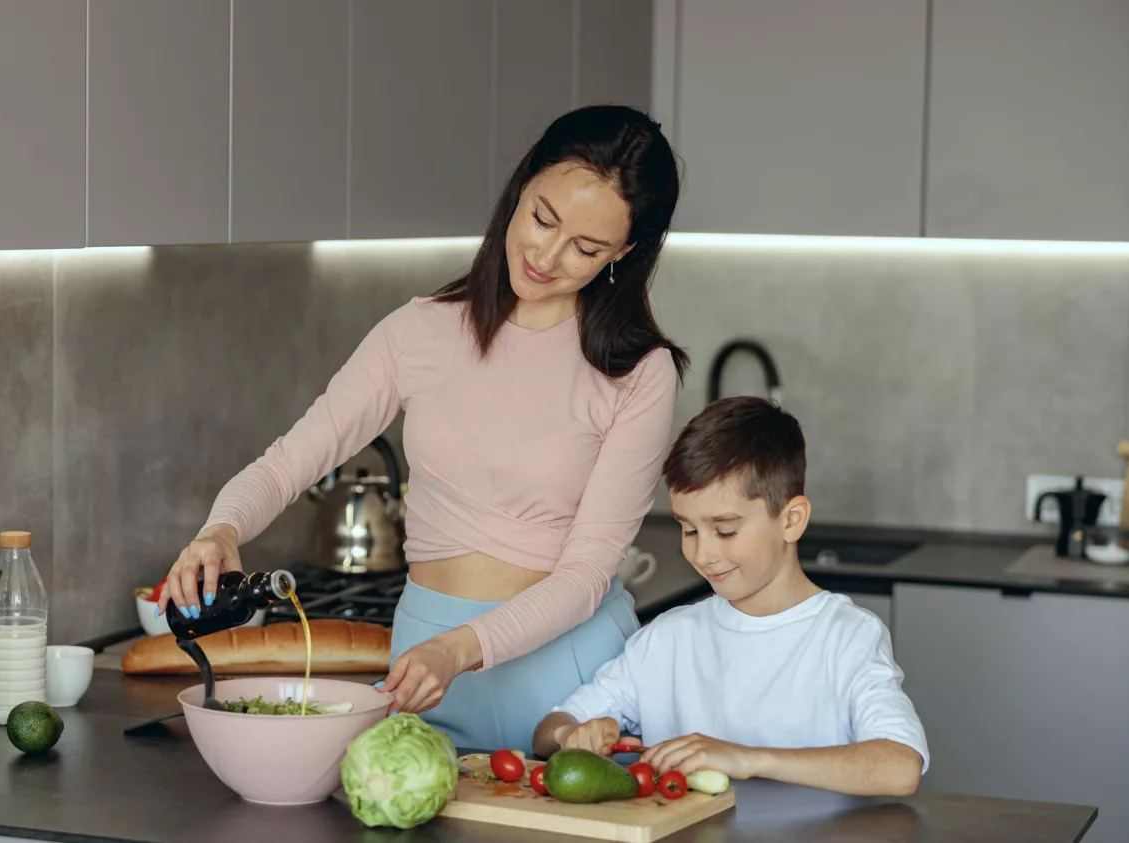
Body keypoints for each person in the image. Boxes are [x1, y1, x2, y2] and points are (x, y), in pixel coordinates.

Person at [161, 104, 688, 753]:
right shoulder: (420, 331)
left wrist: (460, 649)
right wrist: (222, 527)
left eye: (586, 248)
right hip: (427, 673)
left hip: (575, 681)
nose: (547, 255)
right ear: (523, 184)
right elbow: (290, 459)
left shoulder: (639, 372)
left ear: (625, 252)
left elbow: (585, 573)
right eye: (542, 218)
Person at [532, 397, 928, 797]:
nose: (703, 555)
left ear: (791, 520)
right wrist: (571, 733)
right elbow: (548, 730)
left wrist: (746, 758)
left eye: (725, 530)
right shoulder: (667, 639)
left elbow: (900, 766)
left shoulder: (847, 637)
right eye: (688, 530)